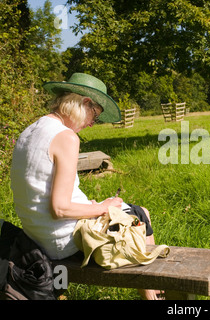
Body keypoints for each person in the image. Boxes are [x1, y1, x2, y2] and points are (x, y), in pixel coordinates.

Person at [10, 73, 160, 300]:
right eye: (95, 115)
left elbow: (43, 190)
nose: (92, 123)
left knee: (130, 213)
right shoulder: (66, 137)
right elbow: (60, 209)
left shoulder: (30, 131)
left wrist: (90, 205)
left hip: (37, 235)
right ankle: (157, 297)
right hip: (64, 241)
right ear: (85, 103)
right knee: (140, 214)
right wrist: (104, 207)